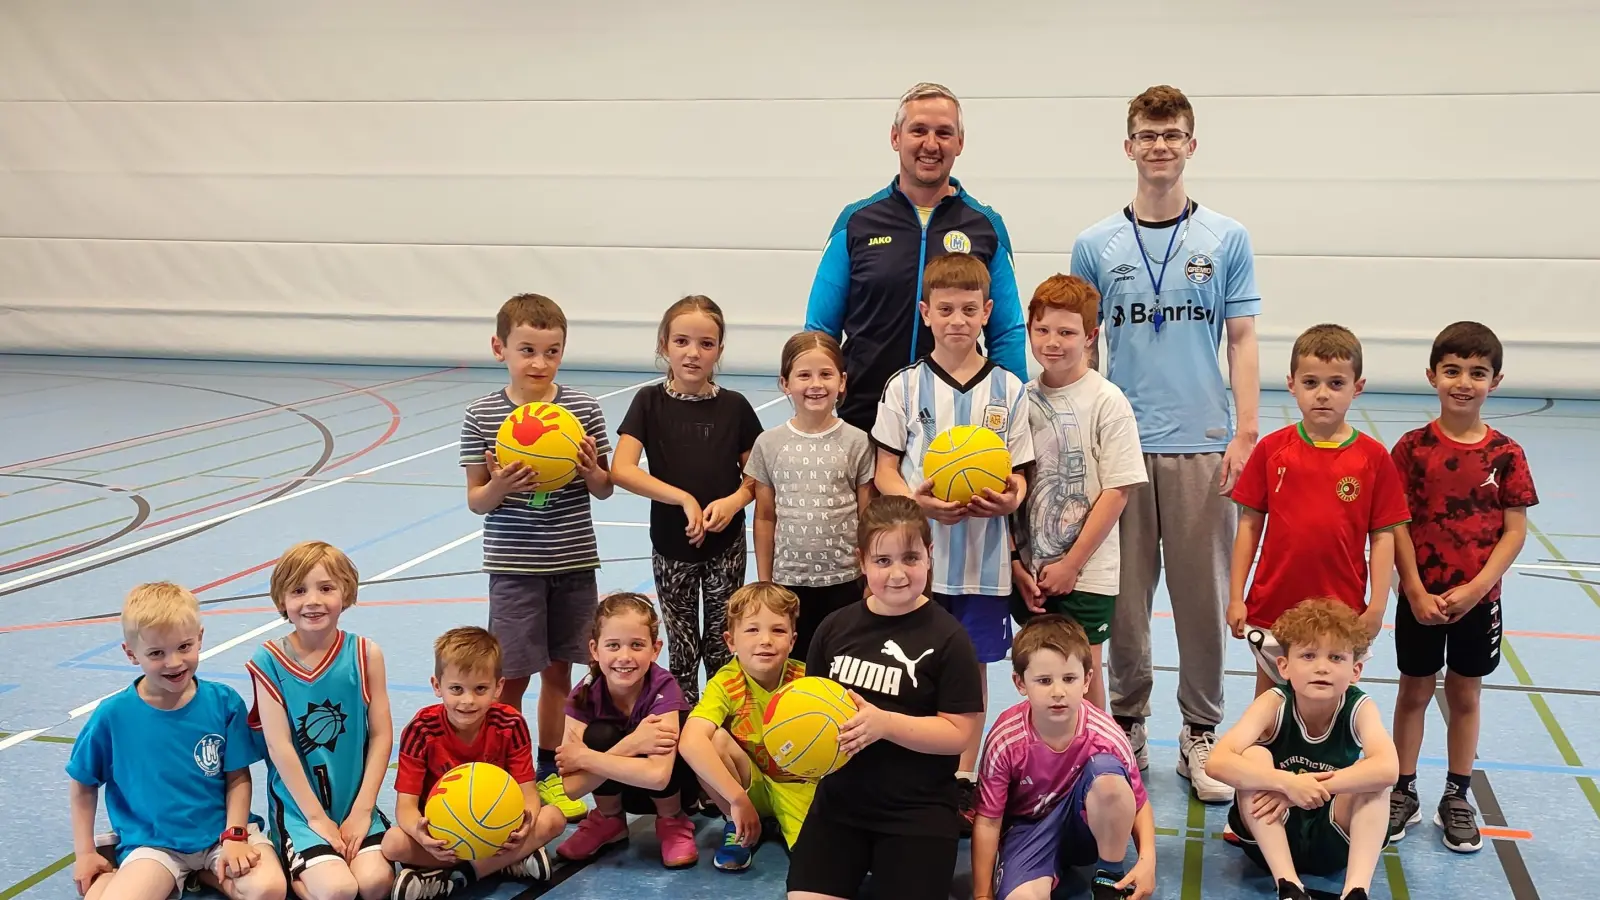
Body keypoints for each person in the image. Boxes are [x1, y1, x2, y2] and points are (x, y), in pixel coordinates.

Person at [1070, 84, 1262, 800]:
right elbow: (1081, 348)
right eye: (1148, 135)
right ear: (1129, 146)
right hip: (1118, 447)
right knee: (1123, 601)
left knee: (1201, 600)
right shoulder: (1095, 244)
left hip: (1202, 442)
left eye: (1172, 134)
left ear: (1191, 145)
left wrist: (1245, 432)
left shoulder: (1226, 238)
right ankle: (1127, 722)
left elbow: (1241, 338)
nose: (1159, 146)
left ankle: (1200, 731)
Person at [871, 252, 1033, 831]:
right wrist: (917, 503)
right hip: (918, 566)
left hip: (983, 567)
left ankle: (963, 777)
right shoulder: (904, 385)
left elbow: (1020, 475)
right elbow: (885, 470)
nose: (957, 320)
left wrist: (1010, 499)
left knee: (970, 671)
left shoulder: (1009, 388)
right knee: (907, 666)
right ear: (926, 313)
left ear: (987, 312)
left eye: (968, 309)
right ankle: (908, 766)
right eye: (945, 310)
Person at [459, 292, 613, 823]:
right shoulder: (482, 415)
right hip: (515, 569)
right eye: (527, 350)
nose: (539, 363)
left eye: (551, 352)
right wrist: (500, 485)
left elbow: (604, 489)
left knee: (558, 674)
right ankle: (506, 770)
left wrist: (591, 471)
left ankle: (549, 770)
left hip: (573, 564)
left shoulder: (582, 410)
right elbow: (477, 500)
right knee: (511, 678)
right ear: (499, 347)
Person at [785, 495, 986, 900]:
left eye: (910, 558)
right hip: (840, 805)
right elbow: (812, 706)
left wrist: (885, 724)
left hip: (917, 810)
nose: (897, 574)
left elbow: (958, 735)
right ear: (861, 562)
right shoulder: (834, 628)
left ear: (929, 555)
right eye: (882, 560)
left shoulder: (949, 638)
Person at [1387, 322, 1538, 853]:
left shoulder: (1507, 453)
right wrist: (1413, 589)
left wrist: (1477, 589)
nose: (1464, 382)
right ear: (1432, 375)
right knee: (1413, 690)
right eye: (1452, 371)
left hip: (1479, 601)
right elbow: (1395, 524)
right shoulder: (1411, 449)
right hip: (1420, 600)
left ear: (1496, 381)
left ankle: (1457, 794)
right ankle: (1403, 790)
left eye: (1477, 372)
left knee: (1465, 694)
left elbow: (1514, 531)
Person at [805, 81, 1028, 435]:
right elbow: (820, 332)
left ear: (960, 143)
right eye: (919, 130)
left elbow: (1006, 333)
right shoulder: (856, 222)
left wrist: (1014, 418)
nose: (931, 144)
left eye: (944, 133)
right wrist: (816, 412)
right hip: (863, 419)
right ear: (895, 137)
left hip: (958, 426)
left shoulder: (986, 226)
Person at [66, 582, 287, 900]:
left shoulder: (223, 702)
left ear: (200, 638)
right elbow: (82, 783)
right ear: (131, 653)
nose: (173, 662)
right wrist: (85, 852)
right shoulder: (112, 715)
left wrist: (235, 835)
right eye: (156, 653)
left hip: (221, 834)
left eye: (184, 647)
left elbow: (238, 777)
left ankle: (202, 874)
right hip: (155, 844)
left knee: (269, 889)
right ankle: (116, 873)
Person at [1229, 325, 1410, 697]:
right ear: (1292, 384)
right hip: (1273, 604)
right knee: (1270, 698)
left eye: (1336, 383)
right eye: (1311, 382)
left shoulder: (1373, 458)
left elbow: (1383, 537)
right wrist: (1235, 596)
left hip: (1342, 608)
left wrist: (1376, 607)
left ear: (1357, 387)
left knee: (1330, 698)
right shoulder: (1272, 450)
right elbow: (1249, 526)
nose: (1323, 394)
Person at [613, 295, 764, 705]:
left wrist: (734, 501)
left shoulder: (734, 406)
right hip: (671, 546)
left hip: (725, 546)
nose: (693, 353)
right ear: (664, 345)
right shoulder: (648, 402)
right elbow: (621, 469)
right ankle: (682, 722)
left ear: (719, 350)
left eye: (706, 344)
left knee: (722, 644)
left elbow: (757, 475)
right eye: (681, 341)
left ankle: (723, 720)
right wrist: (682, 498)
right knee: (681, 650)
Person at [1010, 275, 1148, 713]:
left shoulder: (1107, 401)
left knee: (1081, 675)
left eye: (1066, 332)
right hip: (1033, 575)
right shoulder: (1020, 399)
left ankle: (1098, 751)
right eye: (1043, 330)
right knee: (1042, 672)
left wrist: (1071, 565)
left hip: (1086, 573)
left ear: (1090, 336)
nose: (1053, 342)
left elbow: (1117, 491)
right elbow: (1011, 486)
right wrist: (1017, 565)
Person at [1205, 599, 1398, 900]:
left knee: (1373, 779)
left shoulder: (1359, 707)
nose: (1322, 667)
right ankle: (1289, 886)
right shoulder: (1274, 702)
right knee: (1254, 756)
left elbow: (1389, 769)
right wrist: (1287, 783)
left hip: (1333, 836)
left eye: (1336, 657)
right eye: (1308, 655)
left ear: (1355, 670)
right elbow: (1216, 762)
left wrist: (1306, 788)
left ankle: (1356, 891)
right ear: (1284, 666)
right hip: (1274, 832)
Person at [245, 542, 394, 900]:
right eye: (298, 591)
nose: (313, 601)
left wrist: (362, 810)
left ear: (346, 592)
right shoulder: (268, 660)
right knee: (338, 889)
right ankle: (293, 862)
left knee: (375, 883)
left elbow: (382, 736)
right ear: (282, 599)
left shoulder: (365, 654)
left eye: (326, 588)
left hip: (354, 803)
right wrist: (315, 818)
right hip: (301, 811)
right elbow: (279, 746)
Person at [972, 614, 1156, 900]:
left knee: (1109, 780)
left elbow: (1138, 802)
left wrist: (1148, 861)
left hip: (1084, 827)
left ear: (1087, 680)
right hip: (1029, 830)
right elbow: (988, 820)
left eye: (1069, 679)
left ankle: (1109, 879)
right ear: (1020, 683)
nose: (1058, 692)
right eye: (1044, 681)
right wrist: (982, 895)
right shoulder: (1006, 739)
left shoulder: (1106, 734)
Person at [382, 627, 565, 899]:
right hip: (444, 837)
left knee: (553, 818)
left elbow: (528, 793)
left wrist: (525, 823)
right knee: (393, 843)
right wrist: (422, 836)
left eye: (480, 689)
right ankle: (507, 863)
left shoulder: (510, 724)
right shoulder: (421, 730)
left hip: (499, 832)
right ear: (437, 686)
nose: (467, 701)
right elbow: (406, 806)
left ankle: (454, 878)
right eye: (456, 689)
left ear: (498, 687)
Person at [746, 330, 876, 659]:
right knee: (795, 667)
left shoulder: (857, 442)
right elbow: (765, 517)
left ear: (842, 382)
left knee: (842, 664)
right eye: (804, 375)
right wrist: (766, 583)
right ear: (785, 383)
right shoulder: (769, 443)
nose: (815, 384)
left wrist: (869, 578)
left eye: (825, 374)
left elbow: (867, 517)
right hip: (789, 583)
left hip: (845, 581)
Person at [556, 593, 702, 869]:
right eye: (613, 645)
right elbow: (572, 788)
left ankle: (672, 820)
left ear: (655, 649)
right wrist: (632, 744)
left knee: (677, 734)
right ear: (595, 649)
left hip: (675, 790)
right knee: (599, 734)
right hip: (624, 783)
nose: (625, 657)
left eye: (637, 645)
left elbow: (658, 777)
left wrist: (585, 758)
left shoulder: (663, 687)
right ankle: (609, 819)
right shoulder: (584, 694)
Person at [678, 581, 814, 872]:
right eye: (752, 629)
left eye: (778, 630)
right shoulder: (726, 683)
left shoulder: (808, 681)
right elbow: (690, 741)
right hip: (749, 787)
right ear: (731, 641)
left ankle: (780, 822)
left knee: (822, 862)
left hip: (798, 787)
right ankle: (735, 822)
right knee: (713, 740)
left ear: (792, 641)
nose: (765, 640)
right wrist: (737, 800)